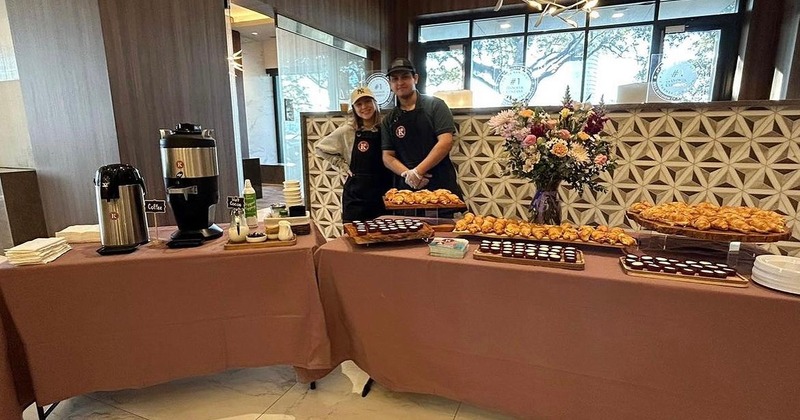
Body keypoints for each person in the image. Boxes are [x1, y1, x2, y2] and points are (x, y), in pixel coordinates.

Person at [381, 57, 463, 200]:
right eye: (395, 79)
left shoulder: (436, 106)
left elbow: (445, 142)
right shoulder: (389, 119)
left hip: (440, 184)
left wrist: (418, 171)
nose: (400, 83)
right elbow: (387, 156)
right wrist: (409, 174)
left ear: (415, 79)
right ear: (390, 84)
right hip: (406, 190)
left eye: (405, 77)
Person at [315, 87, 392, 222]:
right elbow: (320, 148)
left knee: (383, 236)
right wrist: (342, 165)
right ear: (354, 108)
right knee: (354, 238)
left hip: (383, 193)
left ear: (375, 103)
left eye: (368, 101)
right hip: (356, 196)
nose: (364, 107)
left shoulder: (385, 128)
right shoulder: (347, 130)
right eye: (359, 104)